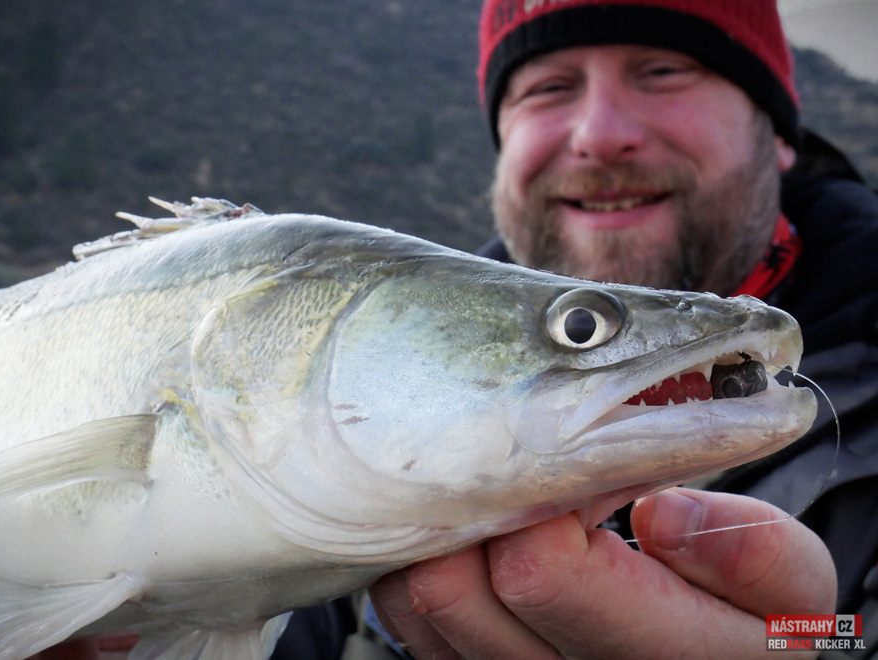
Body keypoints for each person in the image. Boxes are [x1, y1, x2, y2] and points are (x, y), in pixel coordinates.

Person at [356, 1, 878, 659]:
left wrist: (812, 648)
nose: (599, 135)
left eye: (662, 71)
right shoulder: (353, 381)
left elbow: (850, 634)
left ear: (776, 131)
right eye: (548, 87)